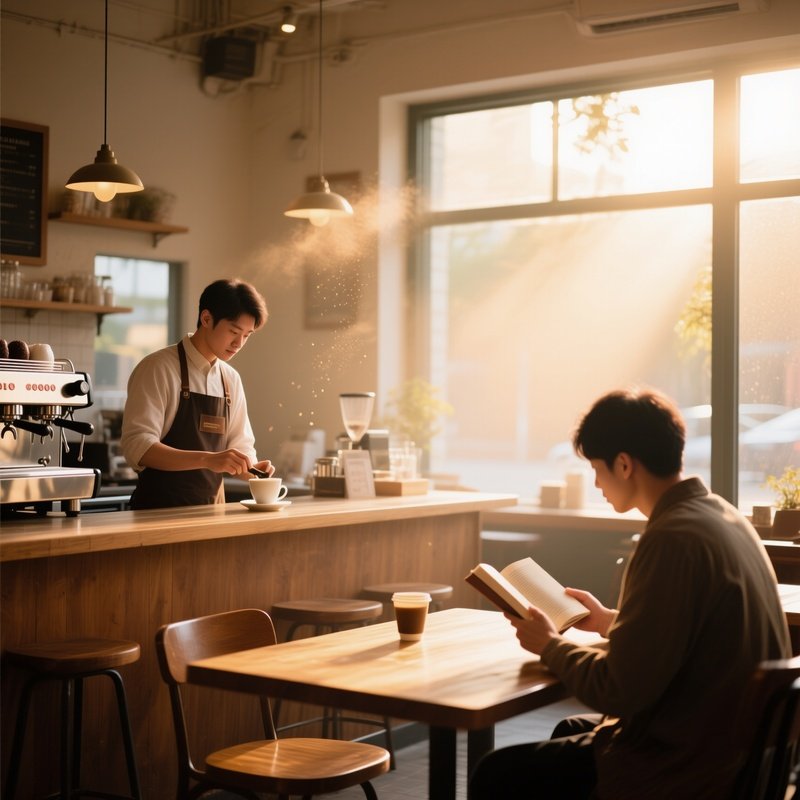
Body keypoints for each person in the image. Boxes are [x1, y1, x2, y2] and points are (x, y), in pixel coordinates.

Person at [469, 387, 790, 800]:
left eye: (596, 468)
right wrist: (609, 621)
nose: (597, 482)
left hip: (689, 770)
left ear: (623, 464)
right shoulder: (721, 515)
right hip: (741, 756)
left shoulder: (671, 538)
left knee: (496, 774)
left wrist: (549, 645)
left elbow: (619, 688)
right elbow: (688, 634)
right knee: (569, 730)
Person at [121, 278, 275, 510]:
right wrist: (208, 459)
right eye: (234, 331)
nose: (239, 343)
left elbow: (241, 445)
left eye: (247, 335)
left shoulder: (230, 379)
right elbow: (138, 447)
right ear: (206, 318)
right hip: (156, 514)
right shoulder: (157, 368)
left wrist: (252, 469)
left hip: (212, 514)